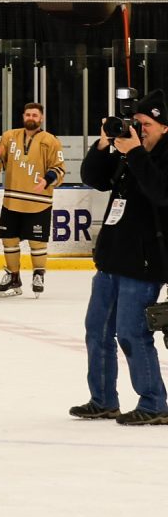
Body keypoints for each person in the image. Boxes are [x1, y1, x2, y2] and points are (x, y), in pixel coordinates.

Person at [70, 89, 168, 425]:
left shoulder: (154, 155)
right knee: (96, 330)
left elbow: (160, 193)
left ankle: (155, 403)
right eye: (136, 122)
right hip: (112, 258)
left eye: (147, 123)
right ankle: (103, 399)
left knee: (132, 332)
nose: (139, 128)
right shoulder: (128, 153)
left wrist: (136, 153)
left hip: (144, 263)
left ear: (164, 128)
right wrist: (104, 144)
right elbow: (93, 179)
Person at [0, 102, 66, 298]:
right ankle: (13, 277)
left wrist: (46, 179)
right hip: (12, 200)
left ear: (41, 118)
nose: (31, 118)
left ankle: (39, 274)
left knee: (37, 242)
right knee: (9, 240)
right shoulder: (9, 137)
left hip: (39, 201)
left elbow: (60, 168)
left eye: (35, 115)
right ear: (23, 116)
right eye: (28, 114)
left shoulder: (51, 141)